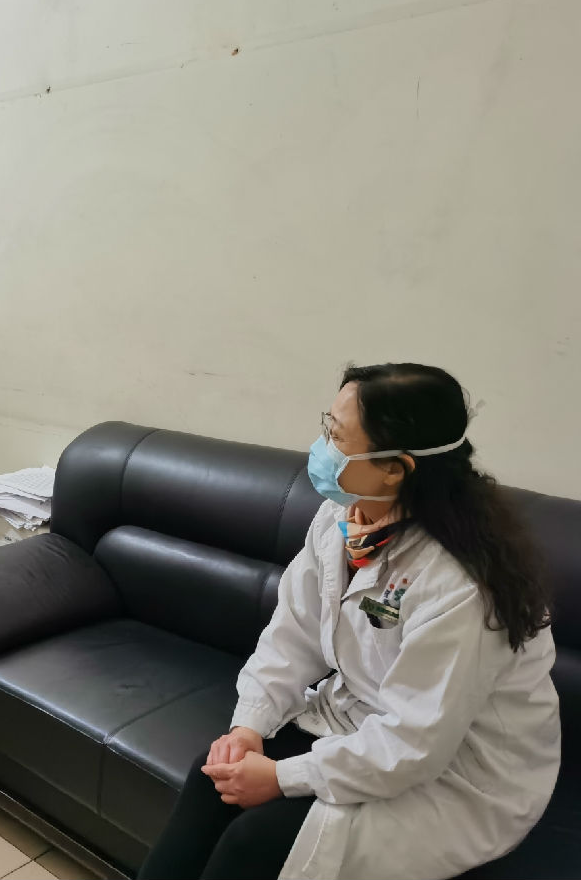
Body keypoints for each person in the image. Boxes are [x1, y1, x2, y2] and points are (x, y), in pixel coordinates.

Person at [139, 363, 559, 880]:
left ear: (395, 469)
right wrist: (249, 726)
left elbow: (416, 742)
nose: (323, 448)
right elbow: (292, 633)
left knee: (258, 839)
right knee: (213, 776)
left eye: (337, 438)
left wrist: (281, 776)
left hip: (456, 769)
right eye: (327, 426)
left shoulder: (461, 584)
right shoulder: (344, 517)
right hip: (360, 719)